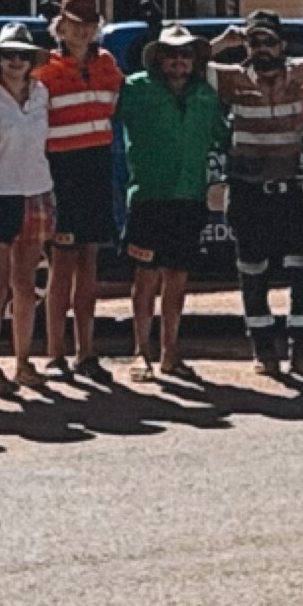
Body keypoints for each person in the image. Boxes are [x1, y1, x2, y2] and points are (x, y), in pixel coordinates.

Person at [215, 8, 303, 379]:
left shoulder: (302, 71)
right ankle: (264, 351)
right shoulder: (231, 78)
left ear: (282, 44)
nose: (261, 48)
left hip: (290, 191)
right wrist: (225, 41)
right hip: (247, 192)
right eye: (253, 41)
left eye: (268, 41)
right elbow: (187, 61)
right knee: (252, 272)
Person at [113, 23, 225, 378]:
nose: (179, 60)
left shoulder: (206, 95)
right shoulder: (134, 89)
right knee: (145, 277)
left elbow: (223, 136)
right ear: (158, 58)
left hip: (189, 196)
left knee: (177, 277)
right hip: (149, 195)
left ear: (194, 60)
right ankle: (139, 352)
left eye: (186, 53)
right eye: (172, 53)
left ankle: (170, 352)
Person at [36, 0, 124, 380]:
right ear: (61, 25)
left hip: (97, 166)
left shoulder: (107, 63)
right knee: (62, 262)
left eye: (89, 23)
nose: (81, 29)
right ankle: (55, 353)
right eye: (74, 22)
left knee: (90, 262)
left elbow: (119, 103)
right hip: (61, 170)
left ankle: (86, 351)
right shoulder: (46, 68)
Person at [0, 23, 57, 393]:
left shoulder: (42, 94)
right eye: (8, 55)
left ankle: (24, 362)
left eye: (23, 55)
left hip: (37, 192)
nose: (15, 62)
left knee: (26, 285)